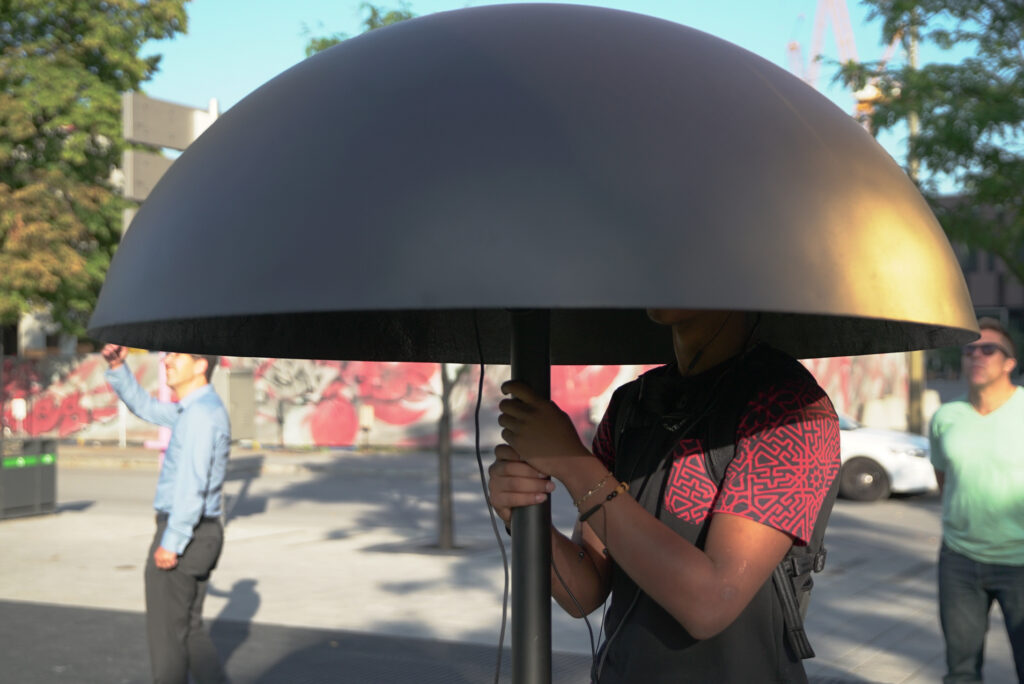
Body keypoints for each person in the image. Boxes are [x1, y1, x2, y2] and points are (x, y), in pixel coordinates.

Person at [488, 309, 841, 683]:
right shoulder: (632, 405)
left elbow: (711, 603)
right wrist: (522, 516)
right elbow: (585, 588)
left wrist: (573, 462)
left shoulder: (790, 408)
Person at [102, 344, 230, 684]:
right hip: (200, 533)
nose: (166, 360)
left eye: (176, 356)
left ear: (201, 365)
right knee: (188, 632)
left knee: (167, 640)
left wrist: (172, 541)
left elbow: (193, 485)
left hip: (185, 531)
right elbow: (146, 407)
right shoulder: (195, 410)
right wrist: (119, 367)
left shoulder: (201, 416)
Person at [929, 317, 1024, 684]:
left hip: (1020, 562)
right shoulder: (945, 417)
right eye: (969, 349)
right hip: (959, 560)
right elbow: (944, 479)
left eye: (988, 349)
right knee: (961, 671)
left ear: (1009, 363)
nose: (976, 355)